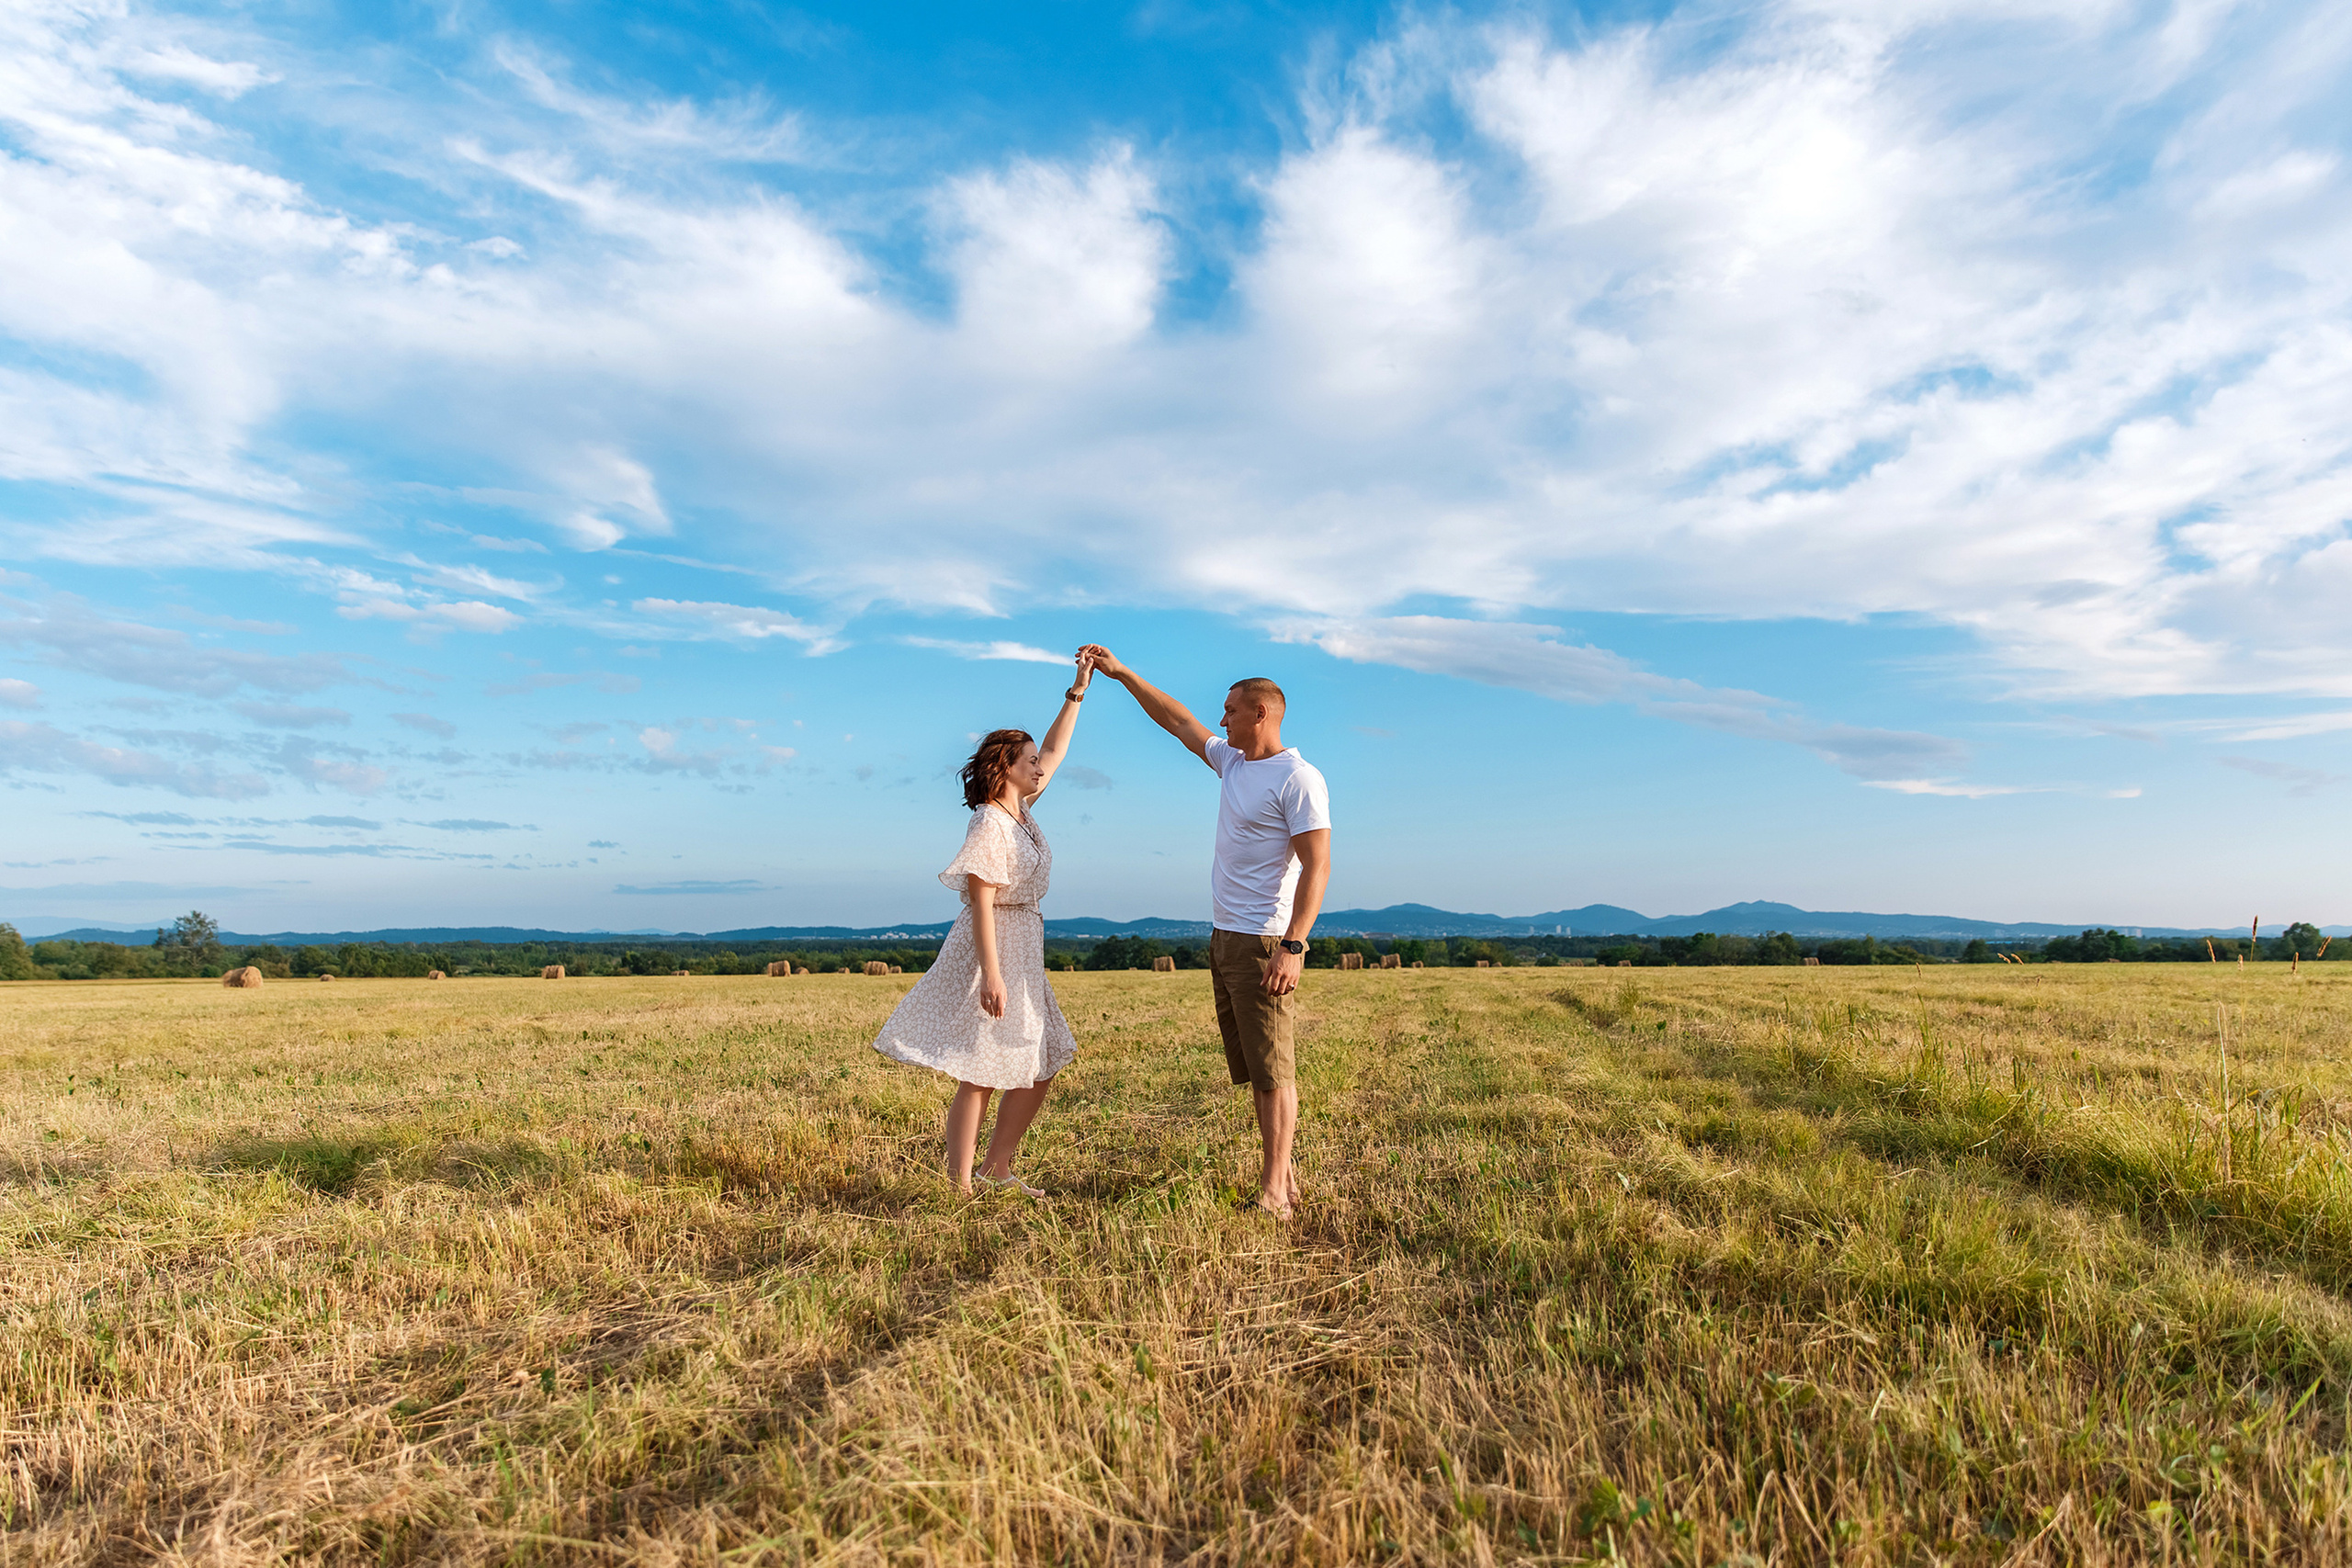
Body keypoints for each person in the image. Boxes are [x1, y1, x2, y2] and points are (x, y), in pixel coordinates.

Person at [1078, 646, 1330, 1220]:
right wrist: (1122, 675)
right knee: (1256, 1069)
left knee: (1273, 1072)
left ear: (1260, 713)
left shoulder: (1299, 778)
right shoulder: (1236, 764)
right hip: (1226, 938)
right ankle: (1283, 1182)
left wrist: (1293, 945)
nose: (1221, 720)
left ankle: (1274, 1192)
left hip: (1265, 940)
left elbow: (1318, 866)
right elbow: (1177, 720)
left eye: (1231, 710)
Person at [870, 654, 1096, 1196]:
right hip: (993, 948)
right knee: (982, 1069)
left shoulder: (1023, 811)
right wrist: (992, 975)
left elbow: (1059, 751)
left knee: (1040, 1062)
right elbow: (980, 899)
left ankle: (998, 1168)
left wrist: (1078, 692)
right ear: (1006, 768)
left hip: (1025, 948)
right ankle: (961, 1183)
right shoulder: (990, 820)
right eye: (1029, 760)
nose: (1039, 765)